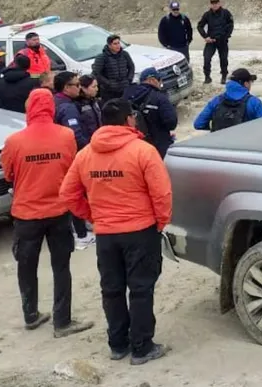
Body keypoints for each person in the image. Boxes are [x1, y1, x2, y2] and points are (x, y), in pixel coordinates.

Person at [60, 99, 173, 366]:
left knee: (111, 289)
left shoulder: (86, 154)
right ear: (128, 120)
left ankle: (118, 343)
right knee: (141, 289)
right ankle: (142, 346)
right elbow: (162, 192)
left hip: (107, 234)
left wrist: (91, 215)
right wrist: (161, 221)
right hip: (140, 230)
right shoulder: (143, 151)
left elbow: (68, 193)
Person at [1, 89, 94, 338]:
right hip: (59, 211)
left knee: (26, 265)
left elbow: (8, 175)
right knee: (61, 266)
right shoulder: (66, 135)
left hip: (26, 213)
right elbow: (73, 168)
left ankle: (30, 314)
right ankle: (62, 321)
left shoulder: (14, 141)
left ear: (28, 108)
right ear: (51, 108)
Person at [70, 75, 101, 249]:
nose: (96, 89)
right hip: (86, 150)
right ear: (84, 87)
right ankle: (81, 226)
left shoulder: (94, 102)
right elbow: (78, 131)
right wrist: (89, 148)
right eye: (94, 86)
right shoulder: (77, 106)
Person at [124, 69, 179, 158]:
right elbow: (171, 122)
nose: (161, 82)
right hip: (159, 145)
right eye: (160, 79)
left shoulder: (127, 96)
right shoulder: (160, 98)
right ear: (152, 80)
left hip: (135, 145)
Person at [193, 68, 262, 131]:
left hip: (218, 144)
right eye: (250, 82)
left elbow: (198, 124)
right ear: (246, 84)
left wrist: (216, 129)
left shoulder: (216, 101)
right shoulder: (254, 102)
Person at [197, 0, 234, 85]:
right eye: (213, 3)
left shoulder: (226, 13)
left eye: (216, 3)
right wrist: (205, 37)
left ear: (219, 3)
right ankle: (207, 77)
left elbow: (231, 25)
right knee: (206, 58)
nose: (215, 5)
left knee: (224, 59)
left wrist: (226, 36)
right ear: (210, 4)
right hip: (211, 41)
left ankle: (224, 76)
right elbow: (200, 26)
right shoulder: (207, 14)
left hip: (222, 41)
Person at [92, 35, 135, 101]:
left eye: (118, 43)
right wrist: (108, 83)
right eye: (115, 44)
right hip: (109, 91)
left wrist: (129, 79)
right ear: (109, 45)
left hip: (124, 88)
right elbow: (97, 73)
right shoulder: (102, 57)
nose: (118, 45)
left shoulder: (125, 54)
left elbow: (131, 67)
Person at [52, 72, 89, 148]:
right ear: (66, 88)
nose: (80, 88)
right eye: (77, 85)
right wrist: (89, 147)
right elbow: (75, 136)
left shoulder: (53, 100)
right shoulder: (68, 108)